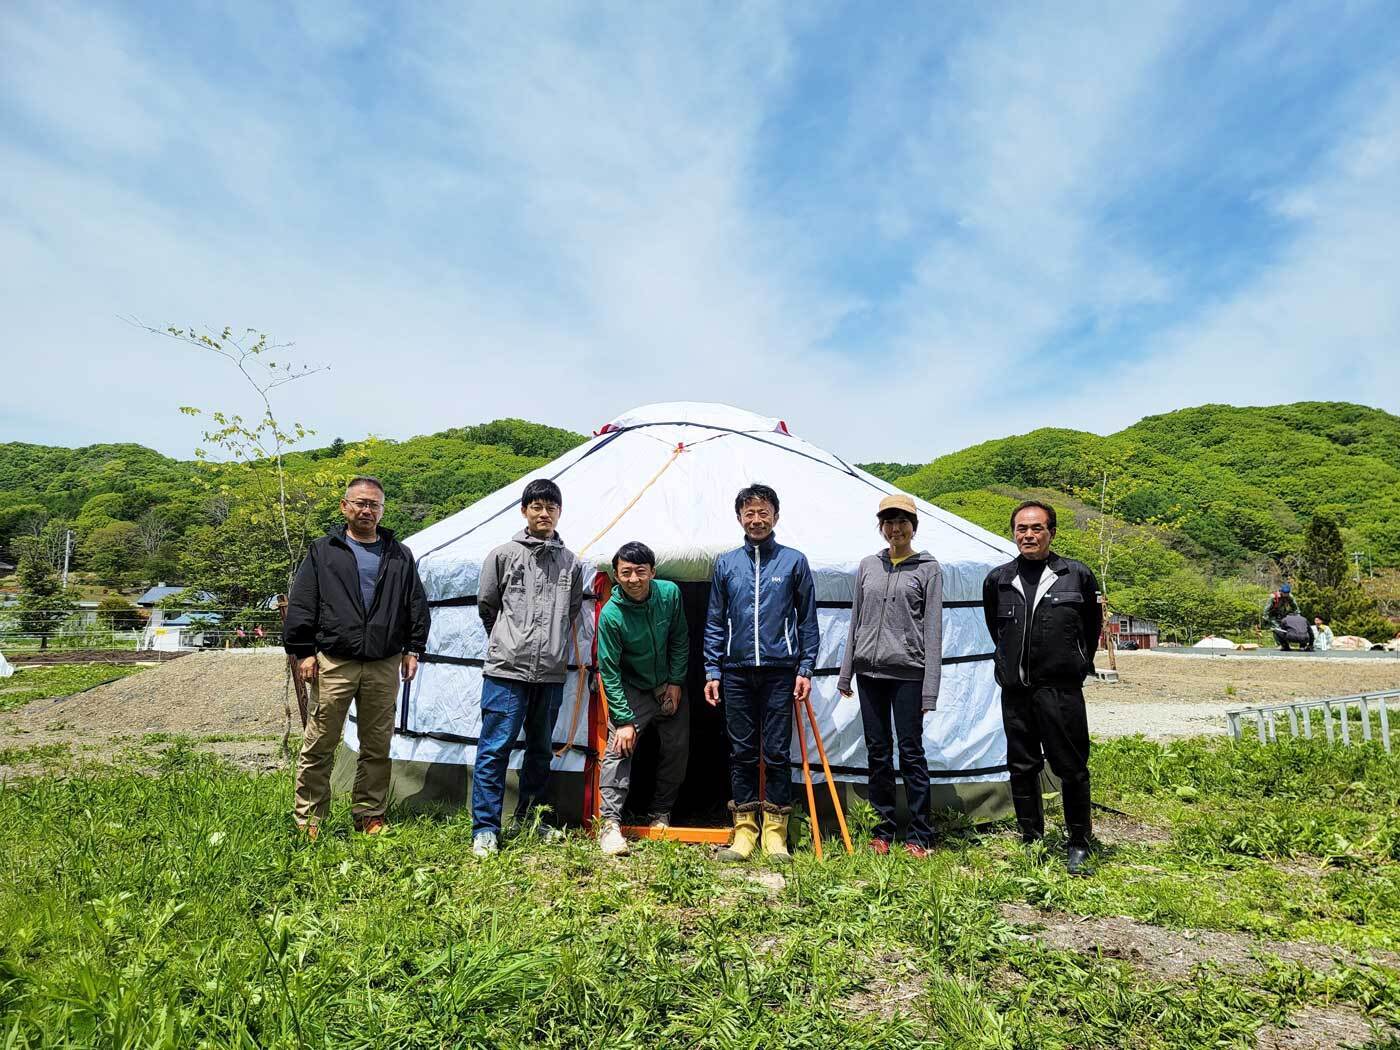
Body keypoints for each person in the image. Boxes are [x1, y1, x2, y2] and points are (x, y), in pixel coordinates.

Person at [285, 476, 430, 839]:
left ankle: (369, 813)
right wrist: (304, 652)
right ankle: (310, 819)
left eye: (374, 505)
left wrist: (414, 648)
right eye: (361, 503)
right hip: (335, 660)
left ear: (382, 510)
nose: (367, 510)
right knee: (321, 741)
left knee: (377, 744)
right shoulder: (324, 551)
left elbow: (415, 603)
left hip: (384, 660)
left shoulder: (399, 553)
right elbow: (303, 602)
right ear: (345, 506)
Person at [982, 500, 1102, 876]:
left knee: (1071, 767)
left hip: (1060, 690)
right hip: (1016, 690)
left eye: (1037, 528)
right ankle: (1031, 838)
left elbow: (1091, 628)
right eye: (1022, 528)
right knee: (1021, 766)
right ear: (1013, 533)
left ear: (1051, 531)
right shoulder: (999, 579)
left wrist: (1075, 663)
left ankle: (1079, 843)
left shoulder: (1076, 575)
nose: (1029, 535)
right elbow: (996, 629)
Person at [703, 483, 819, 862]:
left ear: (775, 516)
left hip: (780, 671)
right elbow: (715, 620)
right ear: (739, 518)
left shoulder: (793, 561)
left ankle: (775, 834)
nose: (756, 519)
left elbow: (808, 620)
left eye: (763, 512)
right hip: (735, 671)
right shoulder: (726, 564)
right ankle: (744, 833)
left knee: (777, 753)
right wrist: (712, 670)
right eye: (749, 513)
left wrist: (805, 667)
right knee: (742, 752)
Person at [471, 479, 586, 857]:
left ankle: (532, 819)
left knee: (540, 750)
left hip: (550, 672)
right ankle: (485, 828)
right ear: (524, 511)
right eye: (536, 506)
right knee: (494, 749)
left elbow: (571, 612)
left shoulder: (571, 563)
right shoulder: (503, 555)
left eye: (551, 507)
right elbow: (487, 605)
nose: (544, 513)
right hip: (506, 671)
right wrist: (509, 642)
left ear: (560, 512)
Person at [837, 493, 943, 858]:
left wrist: (930, 690)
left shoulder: (928, 568)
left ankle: (921, 834)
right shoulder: (868, 565)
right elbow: (856, 618)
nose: (895, 528)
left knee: (911, 752)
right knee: (878, 752)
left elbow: (933, 629)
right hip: (869, 673)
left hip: (909, 674)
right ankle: (882, 830)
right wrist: (846, 673)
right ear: (881, 527)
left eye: (902, 522)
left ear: (914, 527)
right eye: (889, 522)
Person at [594, 541, 690, 856]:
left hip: (666, 683)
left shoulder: (669, 594)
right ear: (615, 576)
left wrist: (675, 682)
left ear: (652, 572)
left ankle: (661, 812)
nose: (633, 579)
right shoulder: (611, 614)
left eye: (640, 571)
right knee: (619, 748)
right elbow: (609, 670)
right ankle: (610, 824)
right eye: (626, 573)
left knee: (676, 746)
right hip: (631, 685)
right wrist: (623, 720)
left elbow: (679, 638)